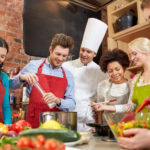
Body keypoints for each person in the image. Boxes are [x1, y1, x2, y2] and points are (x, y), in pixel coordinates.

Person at [10, 33, 75, 128]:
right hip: (33, 121)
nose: (60, 59)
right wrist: (21, 78)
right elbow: (10, 85)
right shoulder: (33, 66)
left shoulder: (68, 75)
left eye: (64, 56)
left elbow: (72, 104)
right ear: (50, 49)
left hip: (55, 124)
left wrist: (58, 100)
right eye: (58, 54)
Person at [63, 18, 108, 132]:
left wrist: (98, 123)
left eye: (88, 52)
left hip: (88, 123)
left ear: (95, 54)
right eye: (82, 50)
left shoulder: (101, 72)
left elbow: (101, 101)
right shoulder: (66, 66)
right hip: (66, 119)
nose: (84, 54)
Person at [91, 49, 130, 124]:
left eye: (117, 69)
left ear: (124, 68)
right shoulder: (102, 85)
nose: (114, 73)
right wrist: (100, 127)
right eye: (110, 71)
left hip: (126, 126)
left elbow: (131, 108)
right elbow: (100, 110)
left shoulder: (131, 85)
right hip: (107, 126)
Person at [0, 37, 11, 124]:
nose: (0, 59)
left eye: (2, 56)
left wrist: (8, 125)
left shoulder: (3, 77)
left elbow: (6, 106)